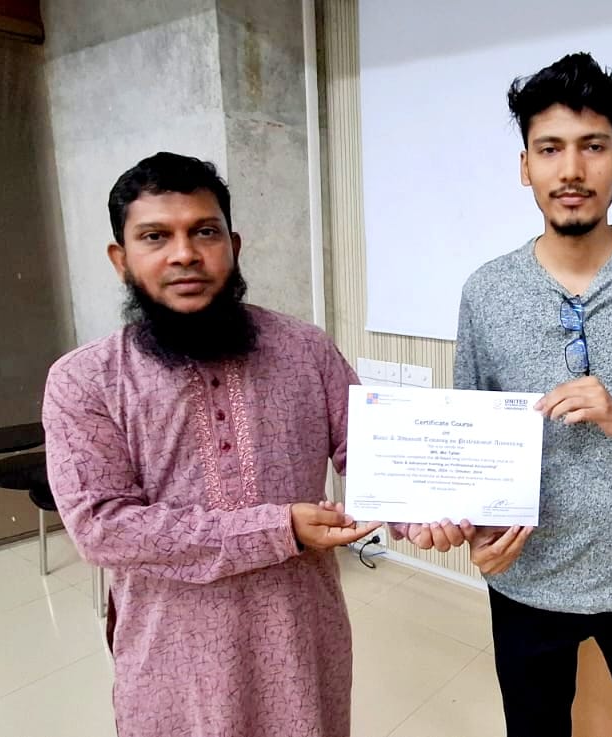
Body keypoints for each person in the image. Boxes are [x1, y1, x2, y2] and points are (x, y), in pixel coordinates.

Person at [396, 52, 612, 736]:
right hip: (526, 575)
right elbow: (468, 442)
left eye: (593, 146)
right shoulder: (486, 290)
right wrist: (474, 530)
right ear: (525, 166)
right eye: (550, 148)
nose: (572, 170)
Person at [41, 152, 378, 737]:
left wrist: (444, 511)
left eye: (204, 231)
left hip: (301, 642)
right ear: (121, 260)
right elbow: (102, 528)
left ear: (233, 245)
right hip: (171, 660)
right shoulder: (85, 379)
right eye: (155, 236)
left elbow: (375, 459)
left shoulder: (306, 350)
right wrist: (279, 529)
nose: (184, 254)